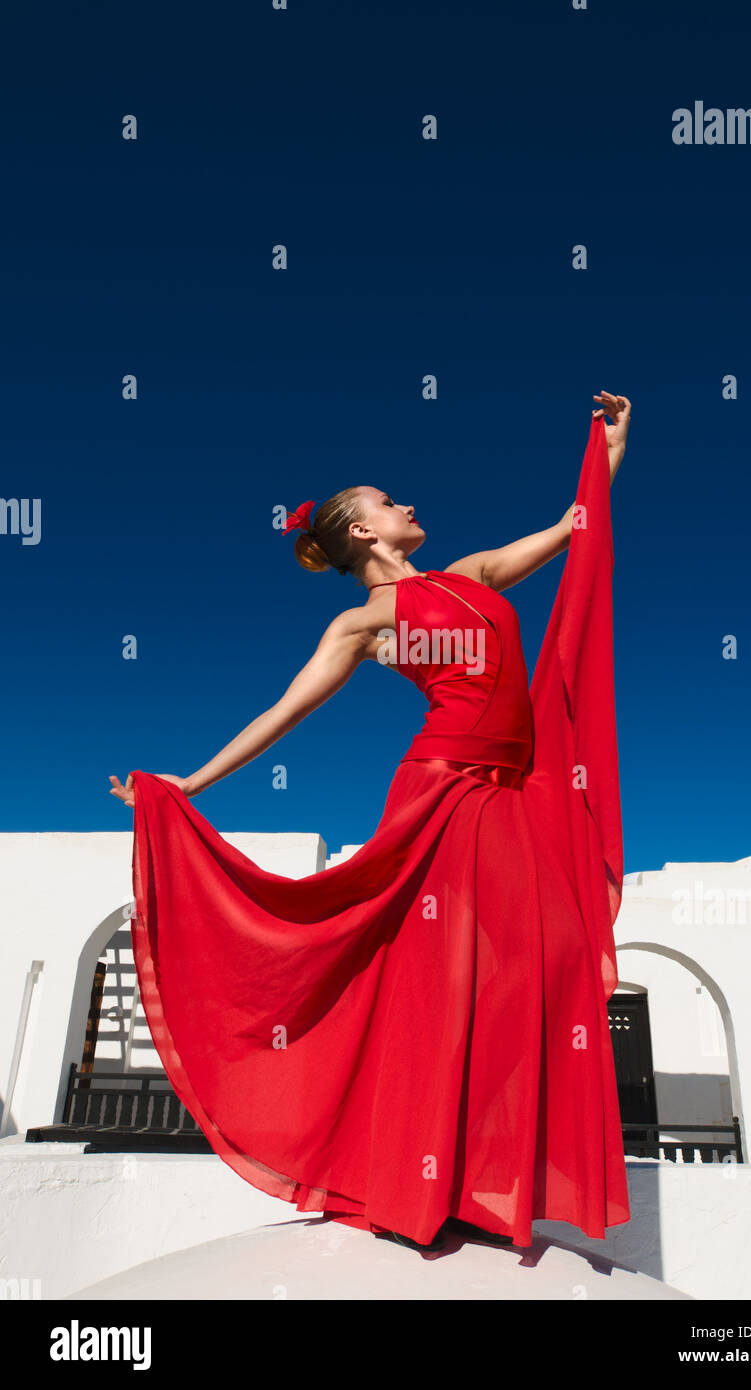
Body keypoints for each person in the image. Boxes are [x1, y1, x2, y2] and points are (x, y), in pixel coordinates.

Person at [110, 391, 632, 1254]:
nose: (411, 506)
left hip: (511, 797)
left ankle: (478, 1170)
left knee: (550, 963)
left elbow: (574, 527)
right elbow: (286, 710)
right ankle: (428, 1178)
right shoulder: (364, 622)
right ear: (363, 533)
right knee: (443, 975)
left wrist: (606, 453)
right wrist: (192, 782)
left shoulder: (472, 574)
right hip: (444, 793)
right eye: (392, 502)